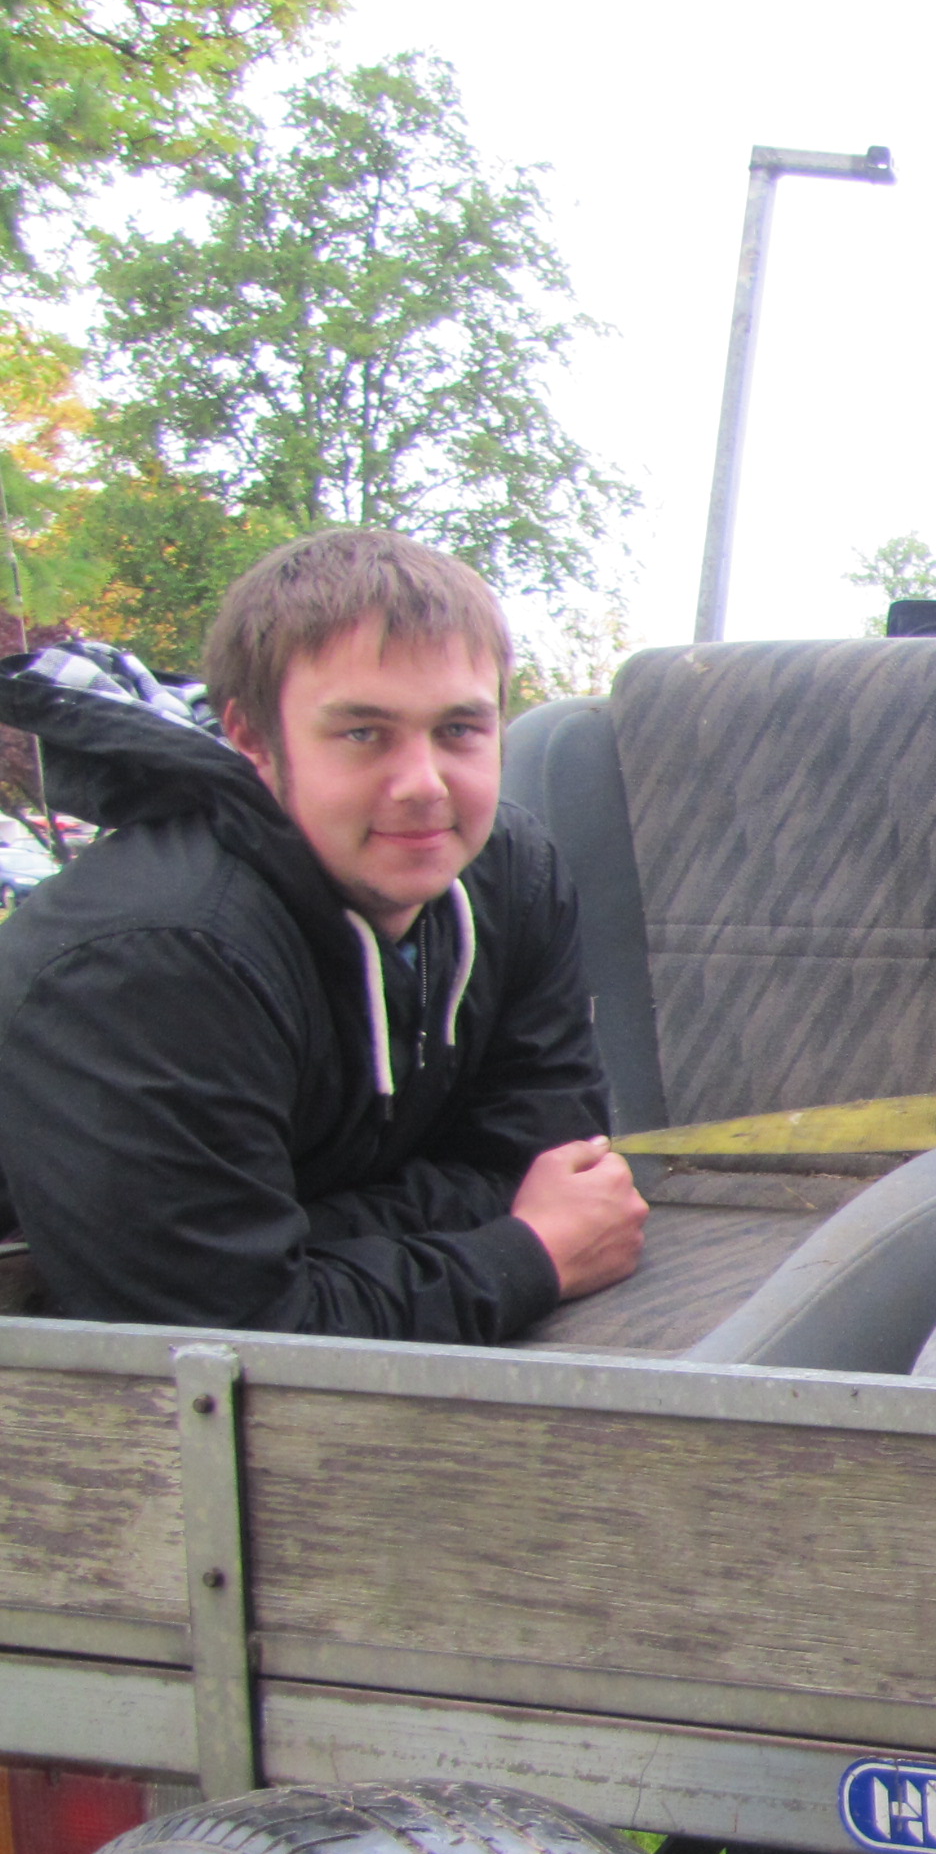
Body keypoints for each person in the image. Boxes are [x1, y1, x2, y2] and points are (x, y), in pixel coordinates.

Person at [0, 529, 645, 1339]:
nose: (423, 786)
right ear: (254, 741)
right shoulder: (152, 959)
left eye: (459, 730)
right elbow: (225, 1337)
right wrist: (526, 1254)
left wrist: (308, 1230)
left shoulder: (511, 874)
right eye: (363, 733)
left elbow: (545, 1160)